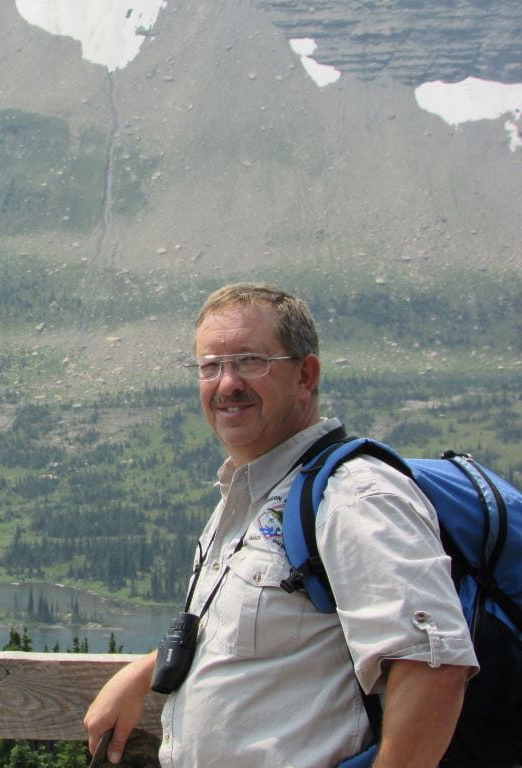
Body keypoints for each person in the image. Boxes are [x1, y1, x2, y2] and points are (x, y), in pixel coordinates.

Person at [84, 283, 477, 768]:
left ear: (305, 376)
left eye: (250, 361)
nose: (227, 384)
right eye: (210, 366)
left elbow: (433, 665)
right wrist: (143, 674)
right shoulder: (251, 493)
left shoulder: (355, 495)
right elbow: (259, 630)